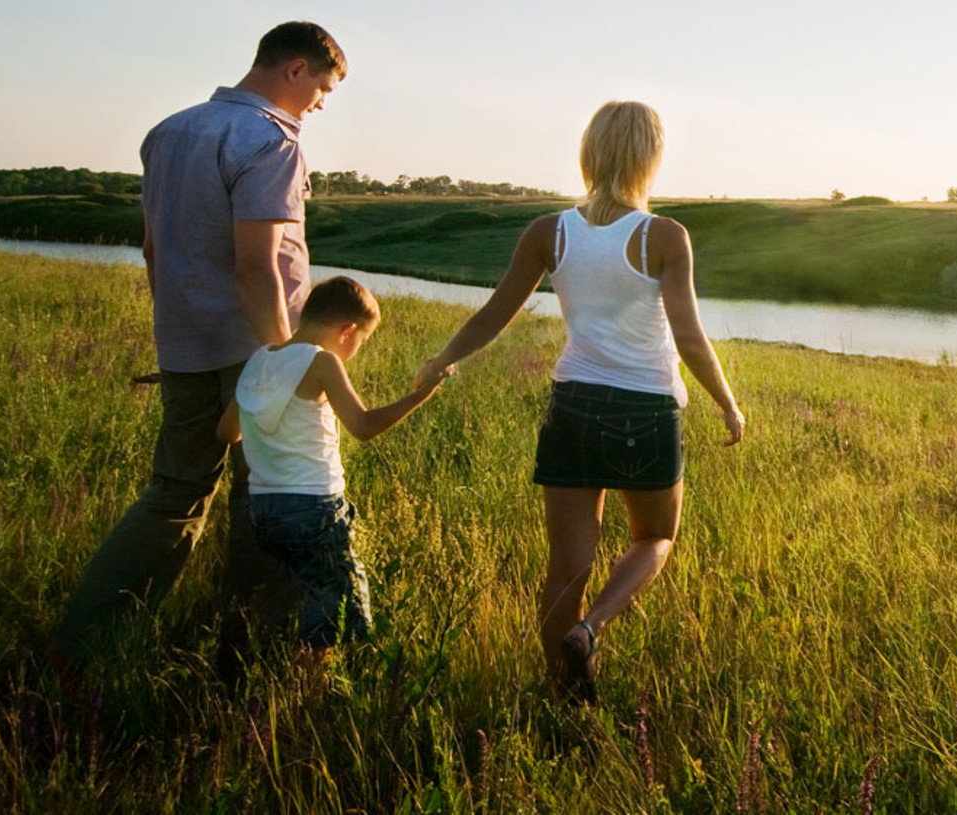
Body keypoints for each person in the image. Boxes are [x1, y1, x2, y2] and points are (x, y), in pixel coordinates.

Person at [419, 101, 745, 701]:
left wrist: (444, 358)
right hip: (645, 411)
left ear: (590, 153)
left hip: (572, 405)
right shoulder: (664, 236)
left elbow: (497, 312)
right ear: (650, 158)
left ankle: (563, 694)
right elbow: (691, 336)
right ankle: (591, 629)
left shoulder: (551, 231)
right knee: (655, 538)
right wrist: (726, 401)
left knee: (565, 569)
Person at [48, 21, 347, 669]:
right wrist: (282, 363)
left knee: (173, 492)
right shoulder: (270, 138)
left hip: (184, 343)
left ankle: (87, 639)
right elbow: (257, 267)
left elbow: (154, 247)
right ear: (295, 69)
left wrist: (174, 330)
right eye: (322, 89)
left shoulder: (169, 131)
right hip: (256, 350)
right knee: (267, 497)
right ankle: (244, 652)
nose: (321, 105)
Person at [218, 277, 451, 663]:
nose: (359, 348)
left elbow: (226, 432)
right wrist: (422, 394)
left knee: (287, 603)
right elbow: (362, 426)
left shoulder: (258, 360)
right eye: (364, 338)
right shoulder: (321, 361)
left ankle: (265, 676)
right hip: (314, 508)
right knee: (334, 617)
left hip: (262, 509)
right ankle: (306, 700)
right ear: (347, 330)